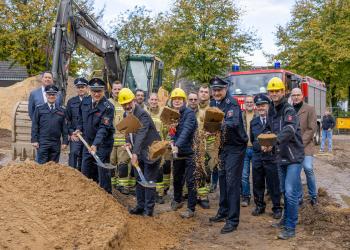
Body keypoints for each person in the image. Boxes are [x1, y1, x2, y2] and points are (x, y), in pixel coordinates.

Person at [265, 77, 304, 240]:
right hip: (280, 156)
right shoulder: (271, 110)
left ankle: (290, 227)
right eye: (272, 91)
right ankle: (285, 220)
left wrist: (273, 142)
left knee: (290, 192)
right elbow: (268, 129)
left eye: (277, 91)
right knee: (283, 191)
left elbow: (288, 130)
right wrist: (264, 140)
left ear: (283, 91)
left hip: (293, 158)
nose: (274, 93)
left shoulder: (289, 110)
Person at [208, 77, 248, 234]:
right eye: (215, 90)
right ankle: (223, 211)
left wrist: (215, 126)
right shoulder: (213, 104)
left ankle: (232, 220)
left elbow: (233, 123)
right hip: (223, 146)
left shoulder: (232, 104)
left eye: (219, 90)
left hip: (236, 147)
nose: (217, 92)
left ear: (226, 89)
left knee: (232, 182)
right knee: (223, 179)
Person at [118, 88, 161, 217]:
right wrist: (128, 142)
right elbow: (128, 130)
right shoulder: (126, 114)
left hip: (150, 152)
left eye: (128, 103)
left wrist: (135, 153)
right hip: (138, 152)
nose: (127, 106)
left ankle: (148, 209)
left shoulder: (142, 114)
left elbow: (142, 133)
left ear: (134, 100)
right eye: (124, 104)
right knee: (139, 179)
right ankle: (140, 205)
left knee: (148, 180)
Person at [75, 78, 115, 193]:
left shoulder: (108, 107)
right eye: (94, 91)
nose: (96, 94)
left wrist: (96, 144)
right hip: (88, 141)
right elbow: (80, 118)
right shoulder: (85, 101)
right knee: (85, 168)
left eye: (99, 91)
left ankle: (106, 194)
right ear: (89, 90)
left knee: (101, 169)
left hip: (102, 143)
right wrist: (78, 129)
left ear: (104, 91)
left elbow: (103, 128)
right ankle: (87, 194)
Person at [250, 94, 282, 219]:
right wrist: (259, 147)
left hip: (271, 156)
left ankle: (277, 208)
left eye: (263, 105)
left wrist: (270, 146)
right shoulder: (253, 122)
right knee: (257, 183)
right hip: (258, 156)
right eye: (258, 105)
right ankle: (259, 206)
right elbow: (253, 139)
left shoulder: (273, 120)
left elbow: (278, 136)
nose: (260, 107)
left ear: (268, 106)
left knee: (273, 184)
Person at [169, 88, 198, 218]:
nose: (177, 101)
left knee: (191, 181)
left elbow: (186, 131)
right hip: (178, 152)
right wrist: (171, 141)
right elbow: (172, 132)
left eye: (179, 99)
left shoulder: (189, 114)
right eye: (174, 99)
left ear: (184, 101)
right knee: (176, 178)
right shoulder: (172, 114)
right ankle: (177, 200)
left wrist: (177, 145)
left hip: (190, 152)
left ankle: (191, 209)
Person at [291, 88, 318, 206]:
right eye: (294, 95)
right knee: (295, 173)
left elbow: (311, 129)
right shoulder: (289, 109)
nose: (296, 97)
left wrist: (300, 143)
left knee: (308, 168)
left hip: (305, 146)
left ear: (302, 96)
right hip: (292, 147)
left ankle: (313, 196)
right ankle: (299, 197)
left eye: (298, 95)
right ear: (291, 97)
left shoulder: (310, 109)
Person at [108, 81, 134, 194]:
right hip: (111, 139)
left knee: (123, 164)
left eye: (119, 89)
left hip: (124, 139)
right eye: (115, 89)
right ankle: (112, 184)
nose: (117, 91)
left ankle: (123, 186)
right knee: (111, 162)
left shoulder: (126, 103)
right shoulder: (107, 103)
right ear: (112, 90)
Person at [31, 85, 68, 164]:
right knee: (42, 165)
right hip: (43, 142)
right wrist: (34, 140)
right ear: (46, 95)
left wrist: (65, 142)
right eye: (49, 94)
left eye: (53, 94)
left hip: (56, 143)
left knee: (54, 167)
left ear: (56, 95)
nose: (51, 96)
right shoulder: (39, 109)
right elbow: (35, 126)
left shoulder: (62, 110)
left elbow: (64, 128)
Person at [145, 93, 166, 204]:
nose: (153, 101)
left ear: (158, 101)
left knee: (159, 170)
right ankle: (150, 191)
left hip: (159, 147)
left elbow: (165, 130)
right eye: (152, 99)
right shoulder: (145, 113)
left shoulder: (162, 113)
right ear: (148, 100)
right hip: (147, 146)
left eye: (155, 99)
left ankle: (159, 193)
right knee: (149, 169)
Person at [198, 85, 219, 193]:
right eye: (201, 91)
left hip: (210, 144)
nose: (203, 94)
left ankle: (204, 195)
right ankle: (191, 193)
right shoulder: (192, 107)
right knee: (196, 169)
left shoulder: (213, 109)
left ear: (209, 94)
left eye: (206, 92)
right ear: (198, 93)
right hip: (196, 143)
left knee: (208, 169)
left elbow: (218, 126)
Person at [66, 77, 89, 170]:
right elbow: (67, 120)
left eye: (82, 87)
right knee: (74, 153)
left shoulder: (91, 101)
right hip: (75, 135)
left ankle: (83, 177)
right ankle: (71, 175)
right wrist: (71, 133)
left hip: (87, 135)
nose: (80, 89)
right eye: (78, 87)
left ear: (86, 88)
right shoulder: (71, 102)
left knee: (85, 157)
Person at [241, 95, 256, 207]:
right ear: (244, 104)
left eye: (251, 102)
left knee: (257, 175)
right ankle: (246, 196)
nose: (249, 104)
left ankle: (257, 196)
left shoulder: (258, 115)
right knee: (244, 175)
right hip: (244, 149)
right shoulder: (240, 115)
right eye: (247, 102)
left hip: (256, 149)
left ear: (254, 103)